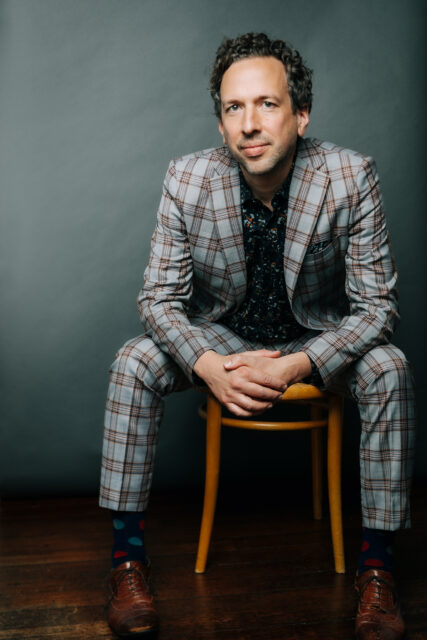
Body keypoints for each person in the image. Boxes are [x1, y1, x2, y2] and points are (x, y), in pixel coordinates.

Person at [100, 32, 415, 640]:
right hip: (222, 338)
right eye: (233, 108)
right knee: (132, 360)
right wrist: (210, 364)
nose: (250, 123)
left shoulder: (350, 176)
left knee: (390, 365)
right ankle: (125, 561)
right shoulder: (188, 179)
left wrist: (297, 367)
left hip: (312, 341)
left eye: (267, 104)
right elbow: (158, 301)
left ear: (301, 113)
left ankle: (378, 571)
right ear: (220, 125)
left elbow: (377, 307)